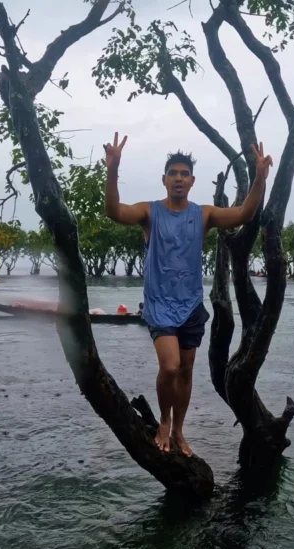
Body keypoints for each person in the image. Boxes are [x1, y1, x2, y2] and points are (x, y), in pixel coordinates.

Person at [102, 132, 272, 456]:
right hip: (159, 304)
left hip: (191, 304)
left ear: (192, 181)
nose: (178, 178)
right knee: (170, 367)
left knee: (186, 370)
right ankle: (164, 422)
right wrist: (113, 170)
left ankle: (179, 430)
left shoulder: (203, 214)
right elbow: (113, 211)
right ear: (164, 180)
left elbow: (243, 214)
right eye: (172, 173)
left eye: (184, 174)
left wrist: (260, 179)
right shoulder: (149, 213)